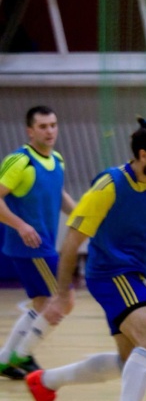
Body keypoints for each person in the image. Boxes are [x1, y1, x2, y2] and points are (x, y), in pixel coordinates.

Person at [25, 117, 146, 401]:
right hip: (110, 272)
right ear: (143, 155)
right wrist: (60, 294)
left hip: (131, 272)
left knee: (128, 361)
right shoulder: (109, 186)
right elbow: (72, 241)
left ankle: (46, 382)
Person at [0, 106, 77, 380]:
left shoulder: (57, 160)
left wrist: (82, 217)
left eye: (53, 125)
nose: (49, 131)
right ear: (30, 131)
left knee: (42, 304)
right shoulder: (20, 161)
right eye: (43, 126)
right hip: (31, 246)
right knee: (65, 300)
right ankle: (22, 355)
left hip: (42, 245)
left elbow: (58, 193)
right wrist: (20, 225)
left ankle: (6, 360)